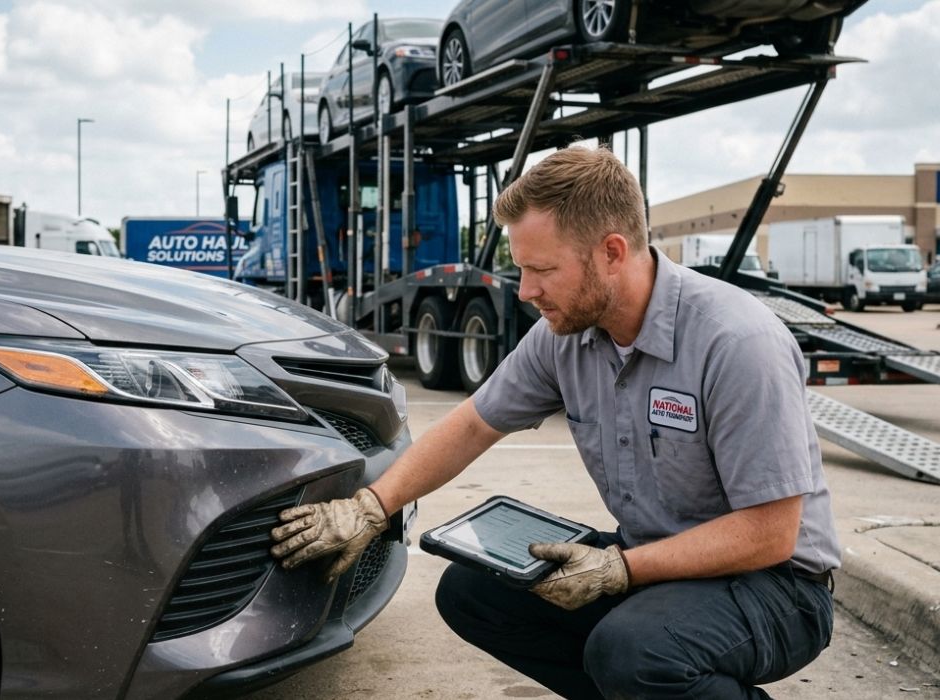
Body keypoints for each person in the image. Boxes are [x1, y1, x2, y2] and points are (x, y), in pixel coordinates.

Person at [270, 146, 840, 699]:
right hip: (653, 558)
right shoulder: (564, 337)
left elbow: (770, 532)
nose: (527, 291)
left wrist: (620, 568)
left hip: (776, 584)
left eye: (543, 269)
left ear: (613, 252)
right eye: (520, 269)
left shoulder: (736, 342)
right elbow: (473, 425)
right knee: (474, 592)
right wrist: (373, 506)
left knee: (634, 652)